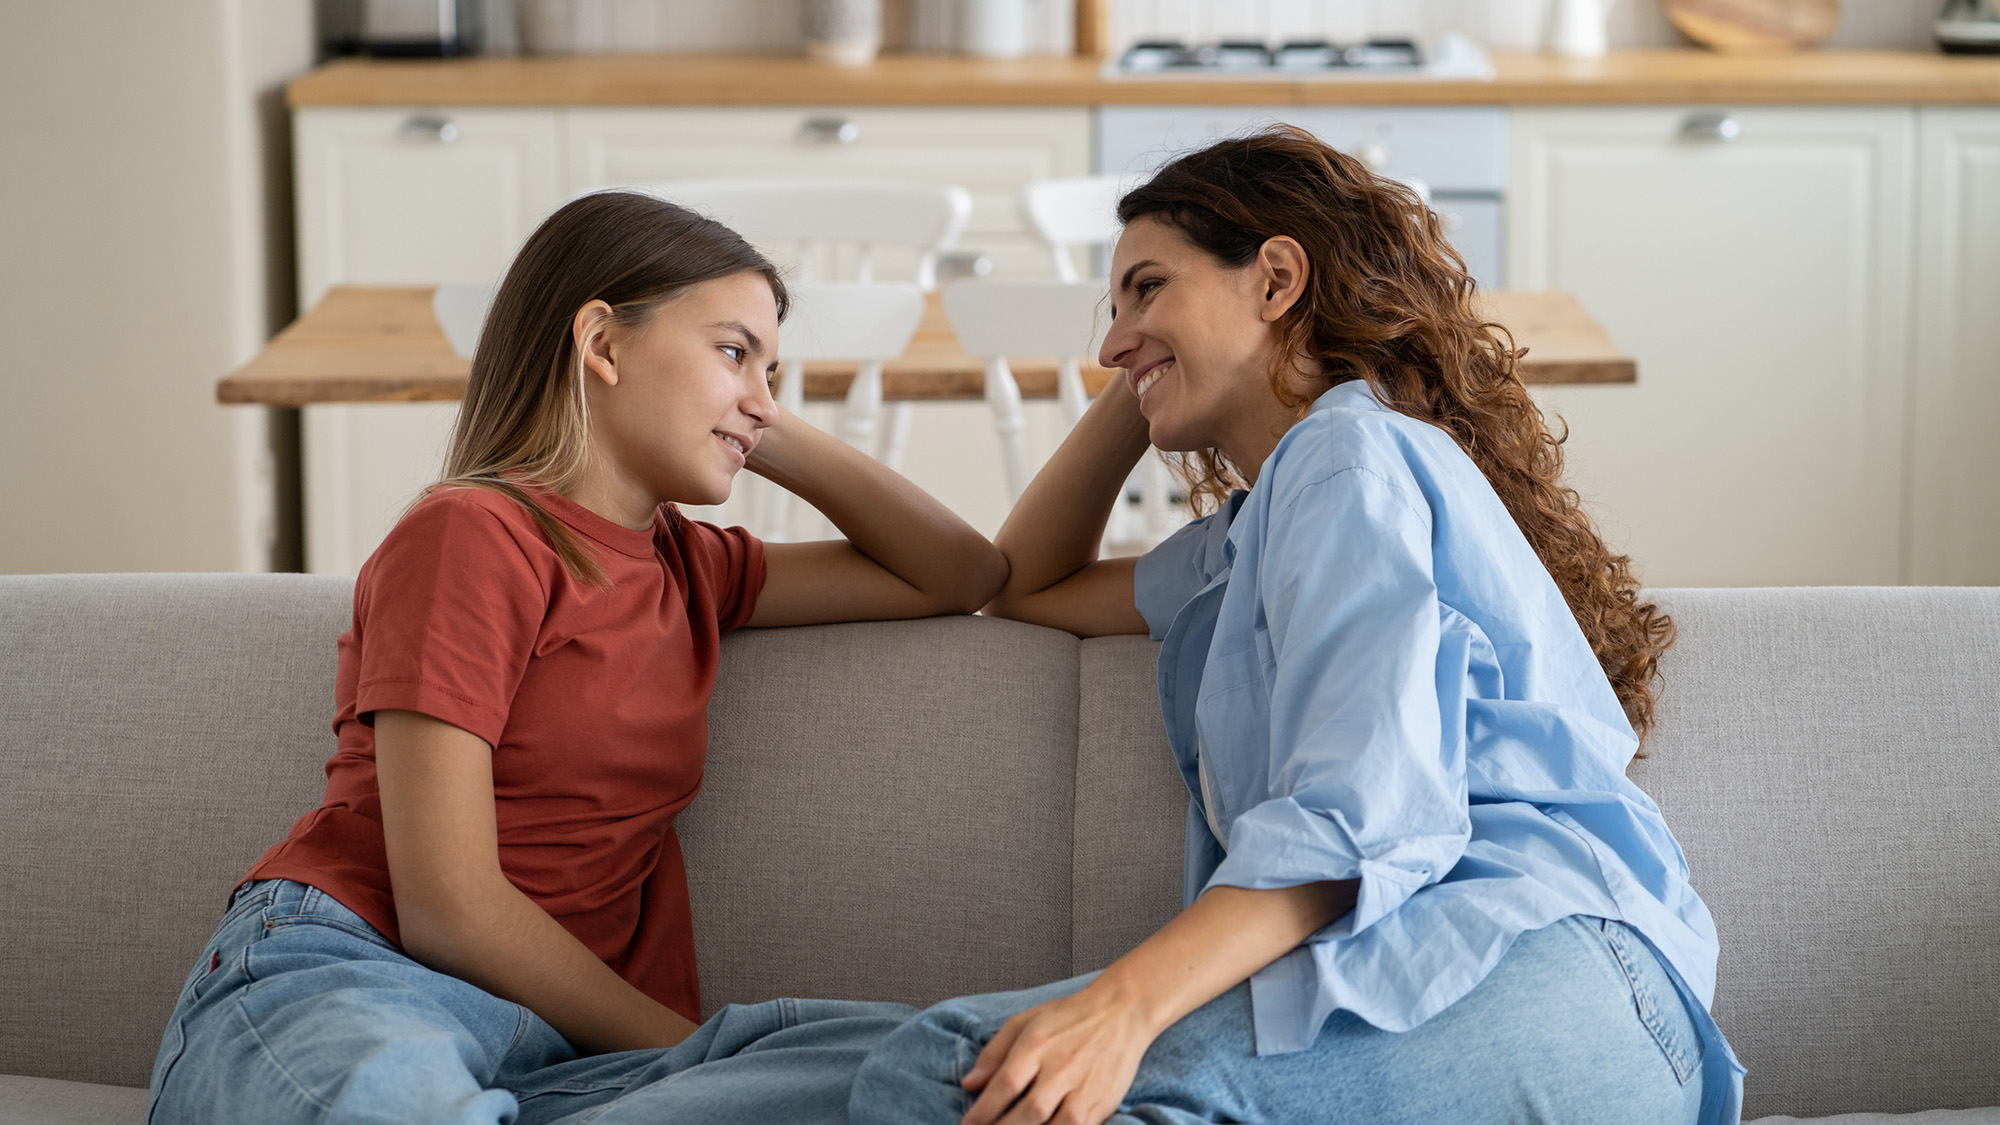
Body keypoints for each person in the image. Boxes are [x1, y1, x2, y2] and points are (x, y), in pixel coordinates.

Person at [850, 127, 1745, 1125]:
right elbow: (1022, 583)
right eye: (1112, 309)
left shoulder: (1344, 463)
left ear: (1275, 277)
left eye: (1146, 286)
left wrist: (1122, 1006)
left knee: (942, 1070)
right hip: (1561, 1004)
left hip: (1532, 964)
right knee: (916, 1073)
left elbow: (1359, 817)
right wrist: (1147, 366)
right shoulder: (1262, 529)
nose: (1107, 340)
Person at [147, 190, 1008, 1125]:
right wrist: (686, 1048)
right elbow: (450, 908)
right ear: (601, 343)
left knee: (950, 1065)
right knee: (400, 1103)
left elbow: (961, 571)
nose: (763, 393)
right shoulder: (472, 535)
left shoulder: (691, 567)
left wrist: (752, 417)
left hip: (566, 1053)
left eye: (773, 367)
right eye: (732, 349)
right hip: (363, 973)